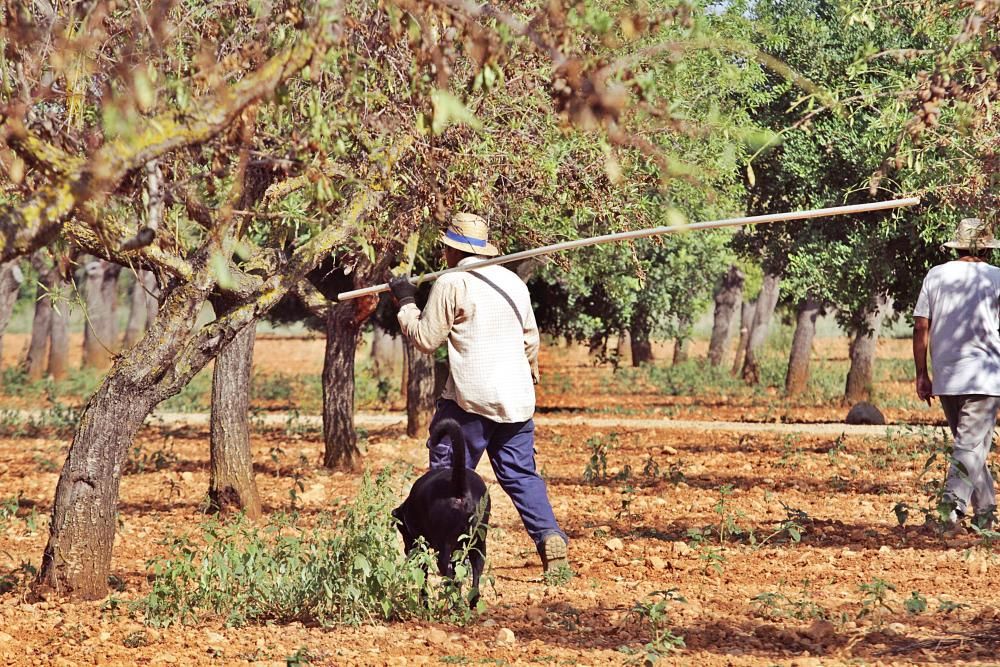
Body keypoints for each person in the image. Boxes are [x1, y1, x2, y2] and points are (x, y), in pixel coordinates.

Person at [388, 212, 569, 572]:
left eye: (445, 248)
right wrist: (527, 372)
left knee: (447, 475)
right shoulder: (513, 282)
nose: (443, 254)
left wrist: (406, 302)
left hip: (470, 400)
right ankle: (549, 536)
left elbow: (426, 339)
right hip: (515, 400)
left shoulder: (452, 282)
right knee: (520, 475)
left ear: (452, 251)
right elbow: (530, 340)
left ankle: (442, 551)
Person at [913, 217, 1000, 531]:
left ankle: (986, 516)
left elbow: (922, 325)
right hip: (985, 377)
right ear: (987, 248)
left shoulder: (936, 275)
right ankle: (950, 514)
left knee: (970, 447)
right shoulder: (997, 277)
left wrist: (922, 373)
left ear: (958, 245)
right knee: (970, 447)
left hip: (948, 376)